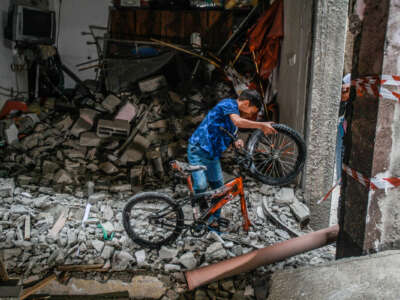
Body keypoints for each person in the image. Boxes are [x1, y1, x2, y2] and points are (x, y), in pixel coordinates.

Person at [187, 89, 276, 224]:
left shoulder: (234, 115)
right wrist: (261, 125)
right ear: (246, 103)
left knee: (220, 190)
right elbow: (238, 121)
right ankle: (200, 212)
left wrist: (236, 141)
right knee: (201, 185)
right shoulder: (228, 104)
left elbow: (229, 130)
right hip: (198, 150)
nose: (251, 114)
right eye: (253, 111)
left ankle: (213, 220)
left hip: (213, 156)